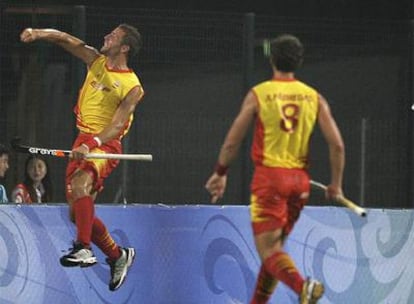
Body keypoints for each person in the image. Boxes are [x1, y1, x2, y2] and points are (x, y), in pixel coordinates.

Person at [205, 34, 345, 304]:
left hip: (270, 179)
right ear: (299, 61)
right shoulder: (314, 97)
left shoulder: (261, 93)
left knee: (269, 251)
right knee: (274, 252)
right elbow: (337, 145)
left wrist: (220, 172)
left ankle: (303, 286)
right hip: (300, 183)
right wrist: (336, 183)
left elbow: (234, 139)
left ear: (272, 59)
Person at [20, 23, 144, 291]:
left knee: (79, 186)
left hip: (106, 144)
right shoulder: (96, 61)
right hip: (82, 142)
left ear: (124, 47)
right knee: (78, 215)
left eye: (112, 36)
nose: (105, 36)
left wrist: (94, 143)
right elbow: (64, 39)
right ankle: (117, 255)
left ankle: (84, 248)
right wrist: (38, 33)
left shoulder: (132, 86)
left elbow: (117, 125)